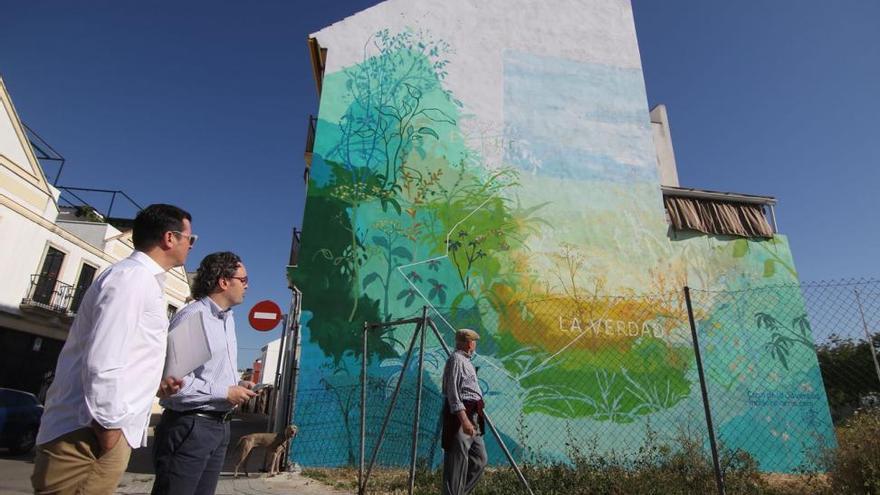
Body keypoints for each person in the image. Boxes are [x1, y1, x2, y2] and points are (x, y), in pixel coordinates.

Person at [32, 204, 194, 495]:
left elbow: (124, 355)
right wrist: (109, 429)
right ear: (170, 238)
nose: (191, 247)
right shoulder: (132, 279)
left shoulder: (143, 281)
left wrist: (154, 386)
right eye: (190, 239)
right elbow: (103, 358)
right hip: (88, 435)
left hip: (98, 430)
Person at [151, 252, 256, 495]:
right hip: (191, 426)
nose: (248, 285)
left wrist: (237, 384)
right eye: (244, 279)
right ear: (223, 281)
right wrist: (225, 392)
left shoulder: (227, 319)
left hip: (219, 428)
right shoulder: (194, 316)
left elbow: (207, 372)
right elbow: (173, 384)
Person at [441, 328, 488, 495]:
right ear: (469, 343)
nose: (474, 344)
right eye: (473, 341)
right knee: (457, 463)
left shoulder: (467, 361)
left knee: (479, 460)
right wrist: (464, 420)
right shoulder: (456, 360)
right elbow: (452, 393)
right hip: (462, 417)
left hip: (473, 415)